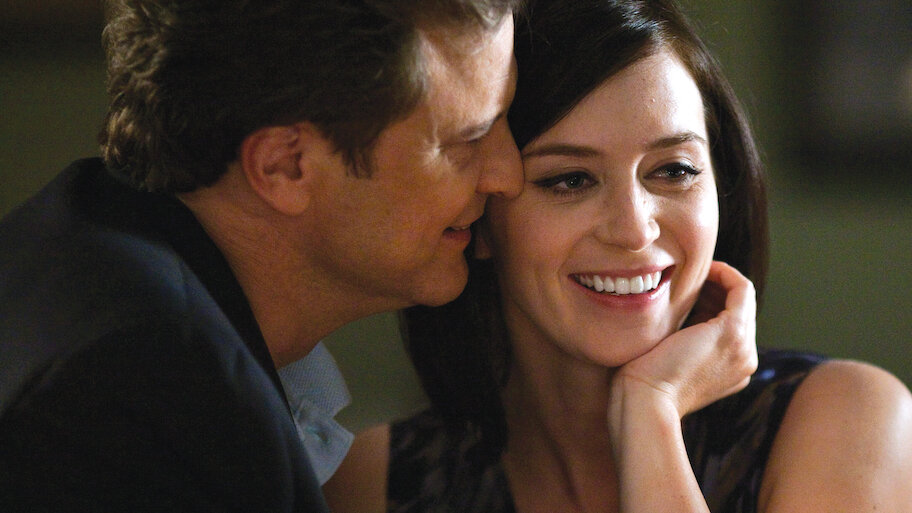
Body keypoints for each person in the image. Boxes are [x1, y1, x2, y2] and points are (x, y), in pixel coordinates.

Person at [323, 0, 912, 511]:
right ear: (479, 215)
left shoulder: (850, 420)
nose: (633, 229)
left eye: (673, 170)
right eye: (570, 180)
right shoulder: (374, 485)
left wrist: (650, 413)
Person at [0, 0, 524, 510]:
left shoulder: (85, 243)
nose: (508, 175)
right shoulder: (145, 402)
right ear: (284, 166)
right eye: (468, 140)